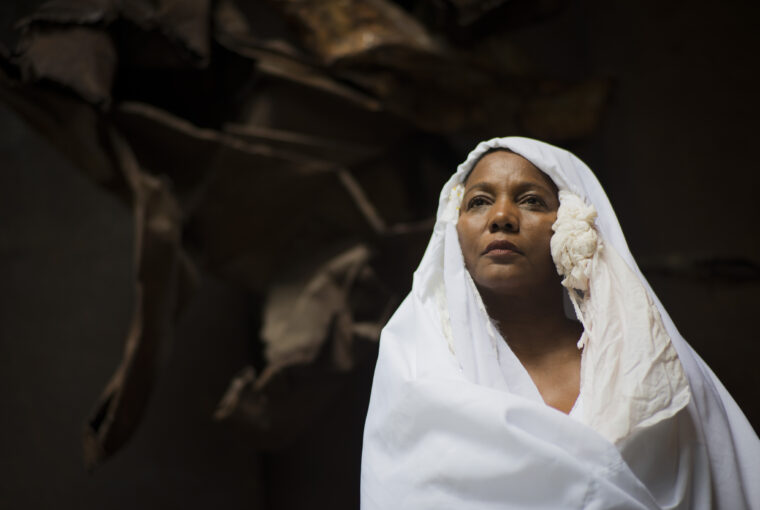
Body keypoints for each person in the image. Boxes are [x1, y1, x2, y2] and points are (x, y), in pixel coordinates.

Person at [360, 137, 760, 509]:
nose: (502, 217)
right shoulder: (417, 372)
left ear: (574, 222)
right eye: (479, 201)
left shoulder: (656, 372)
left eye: (531, 201)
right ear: (453, 227)